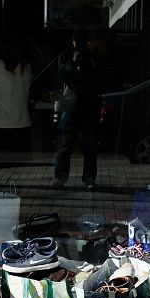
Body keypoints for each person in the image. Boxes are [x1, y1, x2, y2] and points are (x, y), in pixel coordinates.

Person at [52, 28, 103, 190]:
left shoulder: (93, 57)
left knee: (90, 144)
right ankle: (60, 177)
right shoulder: (66, 55)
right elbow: (62, 75)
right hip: (71, 106)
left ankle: (89, 179)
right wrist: (73, 63)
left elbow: (99, 79)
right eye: (80, 42)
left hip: (90, 106)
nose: (82, 46)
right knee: (65, 143)